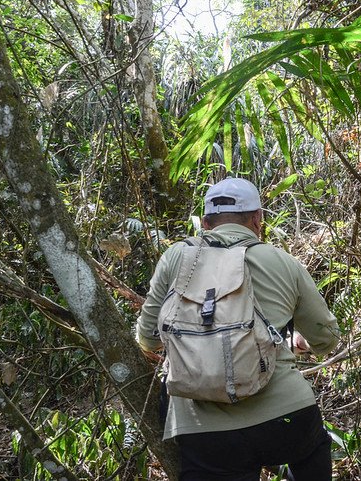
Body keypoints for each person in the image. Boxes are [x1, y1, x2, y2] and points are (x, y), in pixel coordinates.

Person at [136, 177, 339, 481]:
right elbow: (326, 337)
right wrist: (301, 342)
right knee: (312, 452)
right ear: (258, 219)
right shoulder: (282, 261)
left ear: (205, 223)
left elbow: (148, 338)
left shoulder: (176, 258)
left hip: (205, 432)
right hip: (285, 417)